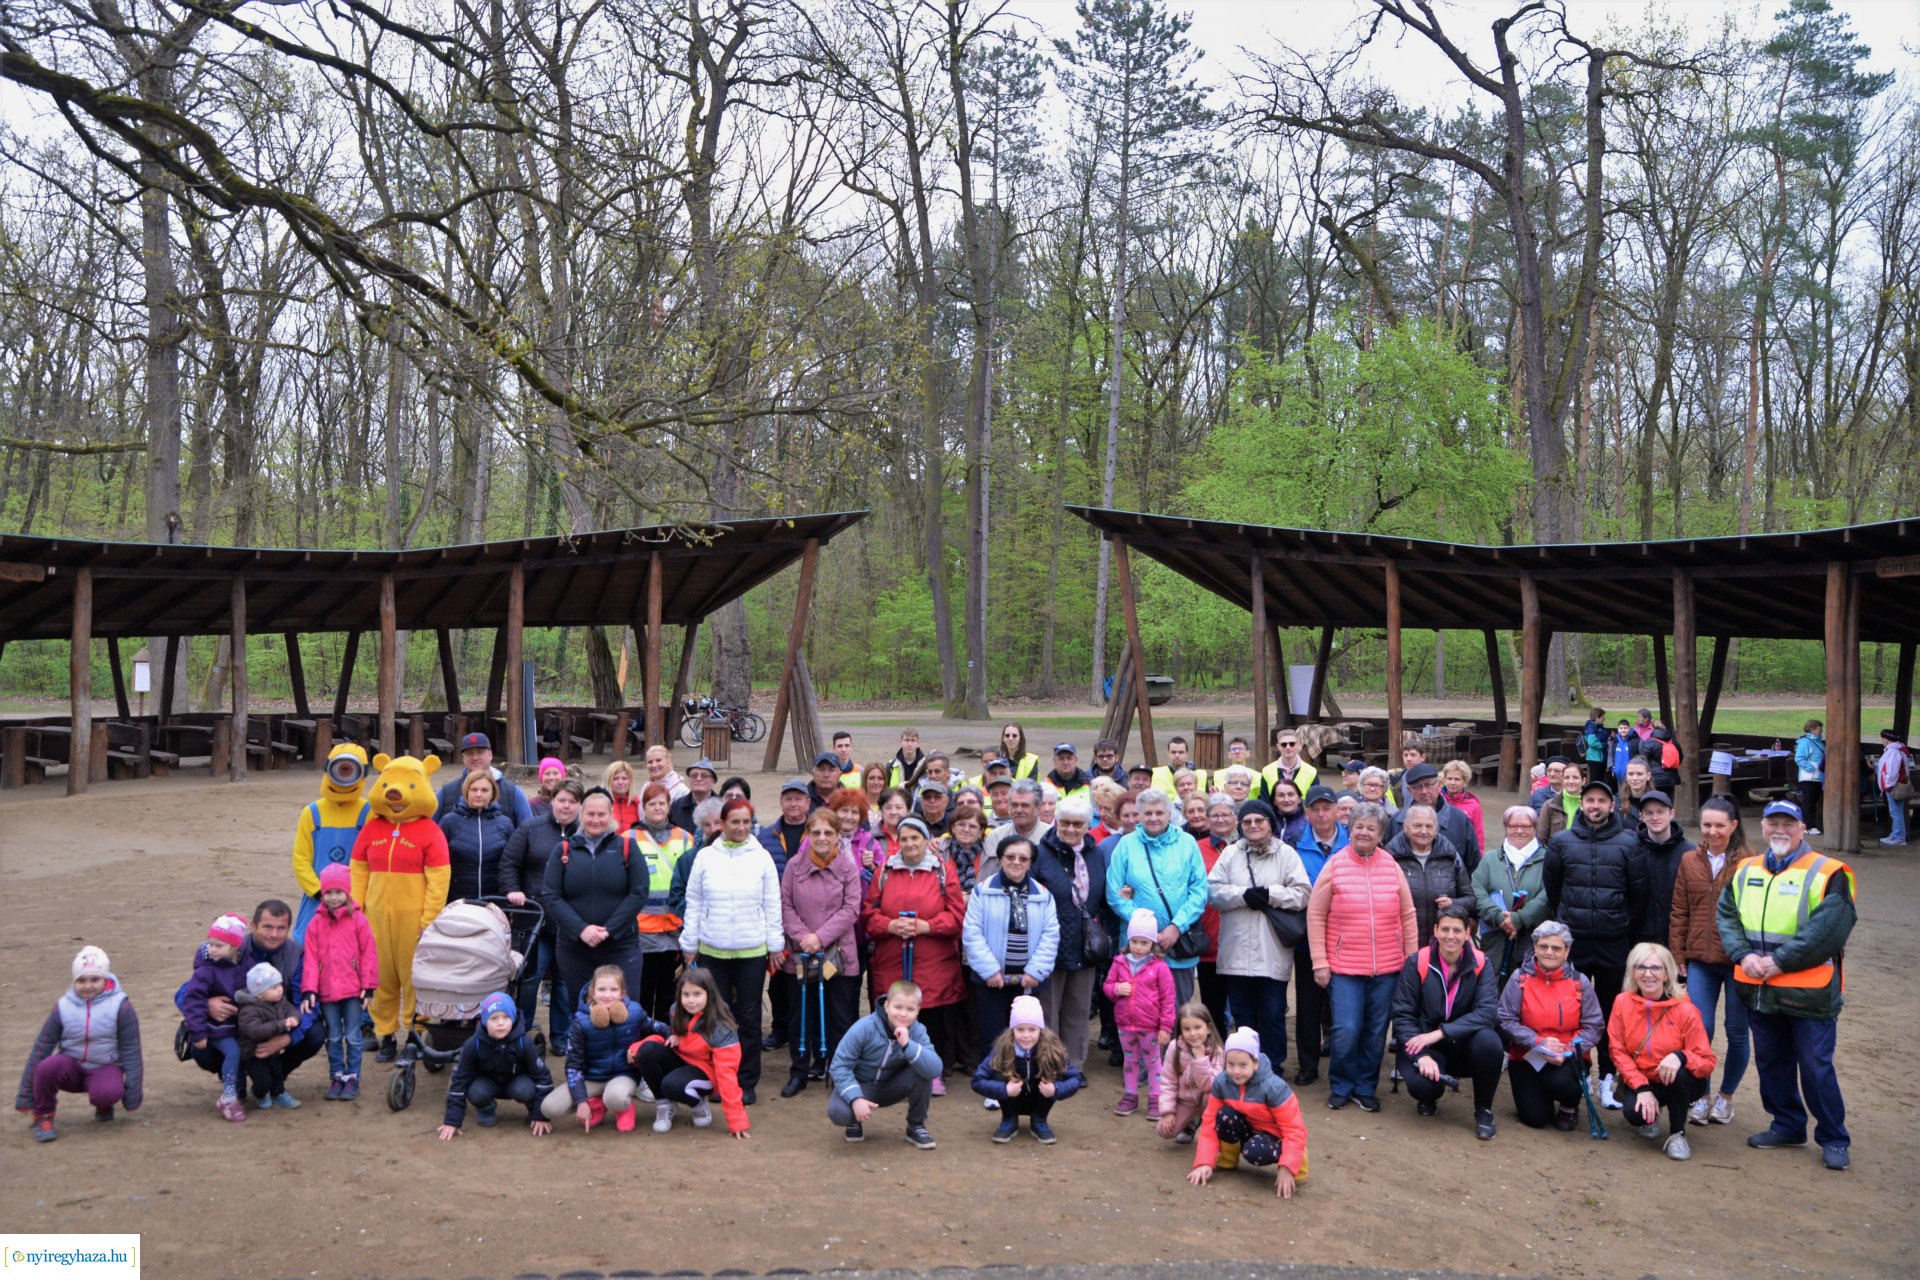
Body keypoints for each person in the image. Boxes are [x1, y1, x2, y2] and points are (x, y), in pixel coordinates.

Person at [1717, 798, 1856, 1170]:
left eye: (1788, 824)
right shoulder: (1746, 869)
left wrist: (1778, 962)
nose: (1780, 830)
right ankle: (1787, 1124)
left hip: (1810, 992)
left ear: (1802, 828)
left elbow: (1828, 930)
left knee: (1815, 1067)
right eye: (1773, 823)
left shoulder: (1829, 872)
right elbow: (1727, 915)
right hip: (1759, 988)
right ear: (1763, 828)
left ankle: (1833, 1137)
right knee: (1772, 1062)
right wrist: (1742, 955)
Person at [1543, 776, 1648, 1110]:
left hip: (1612, 942)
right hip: (1573, 942)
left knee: (1609, 1011)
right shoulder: (1561, 842)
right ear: (1582, 804)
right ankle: (1579, 1070)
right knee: (1570, 1010)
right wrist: (1567, 920)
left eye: (1602, 801)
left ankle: (1608, 1076)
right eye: (1590, 801)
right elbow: (1553, 886)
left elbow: (1638, 894)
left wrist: (1621, 923)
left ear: (1611, 805)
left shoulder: (1629, 843)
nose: (1595, 806)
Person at [1306, 803, 1417, 1112]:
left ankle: (1366, 1086)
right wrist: (1320, 962)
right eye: (1359, 827)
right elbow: (1316, 915)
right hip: (1344, 968)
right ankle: (1341, 1084)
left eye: (1372, 828)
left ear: (1381, 835)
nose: (1365, 832)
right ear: (1350, 829)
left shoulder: (1391, 865)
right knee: (1346, 1029)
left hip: (1388, 967)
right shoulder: (1335, 865)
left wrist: (1411, 960)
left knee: (1376, 1031)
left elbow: (1408, 914)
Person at [680, 795, 784, 1106]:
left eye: (746, 822)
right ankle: (716, 1077)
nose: (740, 827)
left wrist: (775, 944)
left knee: (749, 1017)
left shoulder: (762, 857)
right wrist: (689, 943)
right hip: (713, 949)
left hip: (752, 950)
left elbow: (772, 903)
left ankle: (745, 1080)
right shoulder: (705, 857)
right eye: (734, 822)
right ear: (722, 823)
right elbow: (694, 902)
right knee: (716, 1016)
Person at [351, 752, 452, 1063]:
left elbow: (439, 880)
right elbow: (358, 871)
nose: (395, 797)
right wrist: (356, 910)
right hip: (375, 918)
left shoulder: (430, 831)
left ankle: (415, 1033)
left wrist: (429, 919)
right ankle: (386, 1034)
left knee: (415, 977)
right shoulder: (371, 829)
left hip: (414, 920)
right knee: (380, 977)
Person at [864, 815, 967, 1092]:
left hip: (933, 961)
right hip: (893, 958)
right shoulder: (885, 871)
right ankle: (893, 1071)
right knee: (894, 1014)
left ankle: (933, 1072)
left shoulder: (942, 871)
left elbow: (957, 915)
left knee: (931, 1016)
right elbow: (868, 913)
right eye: (904, 839)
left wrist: (928, 926)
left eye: (915, 838)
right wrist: (890, 925)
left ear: (925, 840)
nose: (910, 844)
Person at [1208, 798, 1311, 1076]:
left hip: (1272, 950)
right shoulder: (1231, 853)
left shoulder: (1287, 854)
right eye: (1247, 821)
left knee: (1273, 1013)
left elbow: (1302, 893)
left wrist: (1270, 894)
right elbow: (1213, 891)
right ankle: (1244, 1068)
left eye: (1259, 820)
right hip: (1236, 951)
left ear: (1270, 823)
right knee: (1242, 1014)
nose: (1253, 825)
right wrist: (1242, 896)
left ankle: (1272, 1068)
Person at [1669, 795, 1750, 1127]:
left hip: (1739, 960)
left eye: (1719, 825)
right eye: (1706, 825)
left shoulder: (1751, 862)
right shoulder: (1689, 859)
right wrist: (1677, 953)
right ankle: (1701, 1095)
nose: (1712, 831)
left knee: (1737, 1031)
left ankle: (1726, 1097)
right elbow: (1679, 910)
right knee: (1700, 1028)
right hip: (1700, 958)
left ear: (1733, 826)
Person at [1390, 903, 1502, 1140]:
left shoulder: (1482, 963)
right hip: (1423, 1043)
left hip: (1461, 1043)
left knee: (1490, 1043)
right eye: (1445, 929)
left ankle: (1484, 1110)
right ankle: (1427, 1097)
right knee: (1424, 1086)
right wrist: (1421, 1056)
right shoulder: (1417, 961)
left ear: (1467, 933)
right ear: (1435, 930)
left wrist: (1441, 1032)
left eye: (1457, 930)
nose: (1451, 936)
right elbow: (1403, 1014)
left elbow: (1487, 1013)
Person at [541, 786, 650, 1019]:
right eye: (590, 814)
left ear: (611, 815)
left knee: (625, 1011)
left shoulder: (627, 848)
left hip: (620, 945)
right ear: (582, 814)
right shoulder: (564, 850)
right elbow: (551, 895)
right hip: (574, 947)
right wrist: (581, 929)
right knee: (583, 1012)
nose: (596, 820)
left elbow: (639, 892)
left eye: (601, 814)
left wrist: (609, 929)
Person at [17, 946, 142, 1143]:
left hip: (105, 1065)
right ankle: (44, 1116)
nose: (88, 986)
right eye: (81, 980)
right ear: (74, 981)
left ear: (105, 978)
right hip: (71, 1067)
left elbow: (131, 1049)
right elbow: (42, 1046)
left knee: (107, 1092)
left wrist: (133, 1093)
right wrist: (26, 1095)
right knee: (46, 1067)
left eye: (95, 979)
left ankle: (104, 1104)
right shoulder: (63, 1006)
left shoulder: (121, 1005)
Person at [779, 809, 864, 1097]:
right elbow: (785, 905)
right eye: (816, 832)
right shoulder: (794, 866)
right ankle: (799, 1071)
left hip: (837, 954)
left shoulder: (848, 867)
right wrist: (804, 937)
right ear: (808, 835)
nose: (822, 837)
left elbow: (851, 909)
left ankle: (839, 1073)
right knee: (800, 1016)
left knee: (839, 1017)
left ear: (838, 835)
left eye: (829, 832)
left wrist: (820, 937)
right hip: (802, 952)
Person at [1609, 942, 1716, 1160]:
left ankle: (1677, 1134)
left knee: (1678, 1075)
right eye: (1641, 967)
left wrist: (1681, 1056)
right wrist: (1641, 1087)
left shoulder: (1685, 1009)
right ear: (1632, 972)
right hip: (1643, 1078)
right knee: (1635, 1115)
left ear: (1667, 974)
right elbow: (1617, 1051)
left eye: (1656, 968)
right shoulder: (1622, 1002)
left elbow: (1707, 1061)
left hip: (1679, 1080)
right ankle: (1651, 1112)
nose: (1648, 974)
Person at [1104, 789, 1209, 1006]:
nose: (1153, 818)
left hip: (1178, 946)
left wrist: (1176, 927)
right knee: (1138, 1011)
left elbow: (1199, 891)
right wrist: (1146, 928)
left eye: (1159, 812)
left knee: (1177, 1012)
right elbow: (1114, 894)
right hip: (1138, 948)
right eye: (1148, 813)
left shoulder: (1187, 843)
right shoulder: (1126, 845)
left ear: (1169, 814)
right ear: (1140, 815)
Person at [1496, 920, 1604, 1131]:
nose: (1549, 952)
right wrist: (1537, 1041)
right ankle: (1540, 1095)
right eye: (1543, 946)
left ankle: (1568, 1107)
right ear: (1535, 947)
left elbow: (1594, 1026)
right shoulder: (1520, 978)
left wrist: (1567, 1050)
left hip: (1568, 1055)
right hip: (1527, 1054)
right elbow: (1505, 1018)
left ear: (1567, 951)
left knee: (1563, 1084)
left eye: (1556, 948)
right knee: (1535, 1118)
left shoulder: (1580, 982)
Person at [501, 779, 580, 1052]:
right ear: (552, 801)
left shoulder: (585, 833)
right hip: (533, 918)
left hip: (570, 923)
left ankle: (562, 1036)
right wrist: (512, 889)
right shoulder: (530, 829)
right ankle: (521, 1032)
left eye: (572, 801)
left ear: (579, 805)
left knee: (564, 982)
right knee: (529, 978)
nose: (566, 806)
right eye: (561, 800)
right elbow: (509, 862)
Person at [540, 965, 667, 1133]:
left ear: (622, 993)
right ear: (593, 993)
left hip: (623, 1076)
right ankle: (597, 1102)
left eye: (613, 990)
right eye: (602, 989)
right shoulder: (580, 1021)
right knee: (549, 1108)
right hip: (592, 1078)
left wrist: (674, 1035)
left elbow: (656, 1027)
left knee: (615, 1097)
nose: (607, 995)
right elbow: (573, 1065)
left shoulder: (635, 1011)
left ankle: (623, 1107)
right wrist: (581, 1101)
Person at [963, 835, 1061, 1051]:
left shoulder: (1043, 896)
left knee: (1027, 1036)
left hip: (1029, 980)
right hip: (991, 980)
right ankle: (994, 1072)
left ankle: (1023, 1072)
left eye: (1023, 858)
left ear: (1030, 862)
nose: (1016, 862)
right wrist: (990, 971)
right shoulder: (982, 891)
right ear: (1000, 859)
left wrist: (1035, 972)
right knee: (993, 1036)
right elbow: (972, 933)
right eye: (1010, 857)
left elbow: (1050, 936)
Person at [1030, 798, 1107, 1071]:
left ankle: (1073, 1067)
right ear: (1056, 821)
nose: (1071, 829)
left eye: (1077, 824)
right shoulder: (1040, 854)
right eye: (1065, 823)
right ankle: (1049, 1065)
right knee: (1047, 1010)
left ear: (1087, 825)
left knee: (1078, 1010)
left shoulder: (1096, 854)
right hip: (1049, 944)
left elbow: (1103, 896)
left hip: (1084, 945)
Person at [1187, 1027, 1308, 1201]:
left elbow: (1294, 1129)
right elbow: (1209, 1123)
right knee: (1224, 1115)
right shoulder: (1221, 1082)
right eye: (1231, 1064)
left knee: (1255, 1152)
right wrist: (1204, 1162)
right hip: (1248, 1129)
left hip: (1273, 1135)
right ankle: (1228, 1159)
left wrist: (1287, 1167)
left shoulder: (1274, 1087)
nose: (1236, 1071)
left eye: (1243, 1065)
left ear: (1255, 1063)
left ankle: (1297, 1157)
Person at [632, 967, 750, 1137]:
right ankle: (664, 1105)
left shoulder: (720, 1024)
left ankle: (698, 1104)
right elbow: (672, 1038)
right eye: (685, 994)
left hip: (708, 1073)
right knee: (645, 1052)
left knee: (671, 1085)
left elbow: (727, 1072)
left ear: (709, 993)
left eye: (697, 994)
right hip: (683, 1060)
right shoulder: (676, 1010)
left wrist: (736, 1120)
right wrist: (636, 1048)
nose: (690, 1000)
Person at [828, 980, 942, 1148]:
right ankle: (853, 1120)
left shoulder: (918, 1031)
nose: (903, 1014)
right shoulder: (864, 1027)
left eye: (910, 1009)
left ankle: (916, 1125)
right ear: (887, 1006)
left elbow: (935, 1069)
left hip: (892, 1086)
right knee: (839, 1113)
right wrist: (855, 1098)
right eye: (898, 1007)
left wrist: (908, 1045)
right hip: (862, 1086)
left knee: (923, 1069)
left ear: (918, 1010)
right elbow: (839, 1065)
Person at [300, 863, 378, 1101]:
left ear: (347, 892)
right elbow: (311, 959)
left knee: (353, 1036)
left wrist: (368, 987)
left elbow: (368, 954)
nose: (333, 897)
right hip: (326, 991)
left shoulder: (358, 920)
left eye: (338, 892)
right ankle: (337, 1076)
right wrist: (309, 989)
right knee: (333, 1036)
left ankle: (352, 1076)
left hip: (353, 991)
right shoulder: (315, 923)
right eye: (329, 892)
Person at [1288, 786, 1346, 1086]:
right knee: (1308, 1005)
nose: (1322, 814)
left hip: (1347, 938)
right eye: (1316, 809)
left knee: (1344, 1006)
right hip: (1307, 938)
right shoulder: (1293, 842)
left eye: (1327, 808)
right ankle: (1308, 1064)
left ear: (1337, 810)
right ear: (1307, 812)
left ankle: (1343, 1064)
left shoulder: (1353, 840)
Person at [438, 991, 553, 1139]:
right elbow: (460, 1080)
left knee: (526, 1090)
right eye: (494, 1018)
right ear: (484, 1020)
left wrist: (541, 1115)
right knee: (475, 1092)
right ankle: (486, 1108)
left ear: (513, 1018)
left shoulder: (525, 1043)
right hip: (486, 1083)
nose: (500, 1023)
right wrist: (452, 1121)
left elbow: (544, 1078)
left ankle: (532, 1109)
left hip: (517, 1082)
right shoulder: (473, 1045)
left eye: (506, 1017)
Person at [971, 995, 1083, 1144]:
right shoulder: (1001, 1050)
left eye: (1032, 1029)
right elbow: (977, 1081)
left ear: (1040, 1030)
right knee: (998, 1074)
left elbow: (1075, 1078)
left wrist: (1055, 1089)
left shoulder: (1052, 1049)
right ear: (1012, 1030)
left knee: (1054, 1074)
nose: (1026, 1035)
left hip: (1041, 1096)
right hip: (1011, 1097)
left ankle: (1039, 1120)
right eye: (1020, 1029)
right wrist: (1004, 1089)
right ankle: (1009, 1119)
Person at [290, 743, 371, 941]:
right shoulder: (311, 812)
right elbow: (301, 859)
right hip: (317, 899)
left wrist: (354, 896)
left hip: (355, 901)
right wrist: (320, 892)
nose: (344, 774)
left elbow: (372, 861)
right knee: (308, 944)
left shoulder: (369, 812)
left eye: (350, 769)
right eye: (341, 768)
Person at [1105, 910, 1178, 1118]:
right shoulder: (1119, 962)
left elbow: (1168, 1000)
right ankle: (1130, 1095)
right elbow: (1107, 986)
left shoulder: (1160, 967)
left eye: (1144, 942)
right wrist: (1116, 989)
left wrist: (1165, 1027)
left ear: (1152, 944)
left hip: (1150, 1026)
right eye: (1134, 941)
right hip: (1125, 1024)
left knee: (1154, 1062)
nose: (1138, 947)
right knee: (1130, 1061)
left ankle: (1156, 1098)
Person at [1471, 806, 1549, 986]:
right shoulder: (1490, 859)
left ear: (1535, 828)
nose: (1519, 831)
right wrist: (1499, 917)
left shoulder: (1548, 859)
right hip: (1495, 937)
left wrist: (1519, 919)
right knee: (1491, 985)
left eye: (1526, 826)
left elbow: (1548, 895)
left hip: (1532, 938)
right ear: (1506, 828)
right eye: (1513, 826)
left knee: (1527, 986)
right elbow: (1477, 890)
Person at [183, 915, 251, 1121]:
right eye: (211, 944)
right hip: (215, 1027)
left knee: (241, 1052)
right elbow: (193, 1001)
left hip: (236, 1025)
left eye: (219, 946)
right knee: (233, 1052)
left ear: (235, 947)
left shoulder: (245, 964)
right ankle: (228, 1097)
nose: (213, 949)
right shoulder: (204, 971)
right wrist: (198, 1032)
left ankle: (239, 1090)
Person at [1385, 803, 1473, 948]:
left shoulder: (1450, 856)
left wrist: (1453, 903)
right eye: (1417, 825)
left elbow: (1470, 899)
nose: (1423, 831)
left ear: (1436, 829)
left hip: (1442, 944)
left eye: (1429, 826)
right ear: (1405, 827)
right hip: (1402, 942)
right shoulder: (1390, 857)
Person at [439, 770, 517, 902]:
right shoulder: (449, 822)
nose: (479, 794)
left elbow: (512, 862)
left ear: (492, 793)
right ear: (466, 792)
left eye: (484, 790)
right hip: (458, 899)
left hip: (495, 899)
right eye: (474, 789)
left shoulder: (504, 823)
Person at [234, 963, 301, 1109]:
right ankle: (260, 1093)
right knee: (262, 1080)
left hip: (274, 1049)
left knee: (277, 1073)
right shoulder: (248, 1010)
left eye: (280, 985)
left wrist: (294, 1018)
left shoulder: (280, 1000)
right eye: (273, 987)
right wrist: (282, 1025)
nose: (280, 990)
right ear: (259, 993)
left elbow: (290, 1009)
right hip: (253, 1053)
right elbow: (256, 1031)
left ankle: (279, 1094)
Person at [1394, 762, 1482, 872]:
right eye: (1417, 787)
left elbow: (1473, 865)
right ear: (1409, 790)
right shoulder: (1397, 822)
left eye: (1429, 784)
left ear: (1440, 784)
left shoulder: (1459, 820)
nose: (1424, 791)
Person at [1156, 1003, 1224, 1143]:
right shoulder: (1175, 1047)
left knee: (1211, 1096)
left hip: (1207, 1100)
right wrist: (1168, 1112)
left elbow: (1210, 1085)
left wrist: (1200, 1059)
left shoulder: (1217, 1051)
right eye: (1187, 1029)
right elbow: (1168, 1081)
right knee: (1164, 1130)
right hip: (1186, 1100)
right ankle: (1192, 1120)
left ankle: (1209, 1128)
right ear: (1180, 1030)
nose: (1192, 1033)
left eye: (1197, 1027)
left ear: (1208, 1028)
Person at [1635, 790, 1693, 949]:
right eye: (1649, 813)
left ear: (1671, 814)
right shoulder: (1632, 850)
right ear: (1641, 816)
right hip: (1640, 939)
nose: (1655, 818)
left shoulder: (1689, 853)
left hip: (1678, 937)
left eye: (1660, 812)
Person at [435, 732, 533, 825]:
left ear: (490, 755)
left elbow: (528, 830)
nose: (475, 757)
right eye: (470, 753)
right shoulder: (446, 793)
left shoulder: (513, 792)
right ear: (463, 758)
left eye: (480, 752)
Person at [984, 778, 1051, 869]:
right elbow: (987, 874)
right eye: (1014, 805)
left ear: (1038, 808)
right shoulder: (996, 837)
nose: (1019, 810)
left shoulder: (1051, 837)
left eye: (1025, 805)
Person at [1439, 759, 1485, 851]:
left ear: (1465, 782)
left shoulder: (1473, 805)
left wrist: (1479, 856)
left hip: (1462, 851)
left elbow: (1478, 835)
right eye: (1449, 778)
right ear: (1444, 780)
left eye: (1457, 779)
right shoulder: (1437, 800)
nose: (1452, 783)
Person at [1791, 720, 1826, 837]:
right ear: (1812, 729)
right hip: (1809, 777)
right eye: (1819, 728)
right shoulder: (1805, 742)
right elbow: (1799, 758)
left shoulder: (1819, 742)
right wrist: (1811, 768)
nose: (1821, 730)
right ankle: (1808, 826)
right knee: (1808, 802)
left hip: (1818, 777)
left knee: (1813, 802)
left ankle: (1811, 825)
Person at [1876, 729, 1910, 846]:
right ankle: (1896, 835)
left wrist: (1888, 785)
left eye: (1883, 738)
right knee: (1896, 811)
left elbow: (1892, 771)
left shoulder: (1893, 752)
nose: (1882, 740)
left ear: (1887, 739)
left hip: (1893, 786)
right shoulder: (1896, 750)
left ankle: (1899, 837)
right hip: (1894, 785)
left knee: (1895, 812)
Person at [1261, 730, 1318, 800]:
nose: (1288, 747)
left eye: (1292, 744)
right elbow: (1264, 802)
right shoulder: (1267, 771)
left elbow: (1314, 801)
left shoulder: (1312, 772)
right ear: (1278, 746)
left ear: (1298, 744)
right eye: (1284, 744)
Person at [668, 757, 719, 833]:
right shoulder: (677, 806)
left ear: (713, 781)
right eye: (694, 775)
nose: (698, 779)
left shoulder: (722, 806)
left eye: (704, 776)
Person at [1538, 761, 1583, 840]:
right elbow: (1541, 837)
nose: (1571, 781)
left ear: (1583, 781)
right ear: (1562, 780)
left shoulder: (1591, 805)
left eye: (1575, 777)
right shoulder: (1550, 805)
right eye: (1567, 777)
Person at [1269, 778, 1308, 848]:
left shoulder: (1309, 824)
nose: (1286, 800)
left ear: (1299, 799)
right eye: (1281, 795)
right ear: (1274, 801)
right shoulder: (1267, 824)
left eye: (1291, 795)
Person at [604, 760, 641, 832]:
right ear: (608, 781)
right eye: (615, 779)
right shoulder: (601, 803)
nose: (620, 782)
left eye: (624, 778)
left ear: (630, 781)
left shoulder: (637, 804)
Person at [1620, 758, 1656, 825]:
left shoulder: (1658, 801)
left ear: (1648, 776)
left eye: (1639, 774)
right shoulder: (1617, 803)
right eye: (1630, 774)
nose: (1635, 778)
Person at [1581, 707, 1611, 776]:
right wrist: (1606, 744)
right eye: (1602, 717)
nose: (1604, 719)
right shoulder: (1592, 727)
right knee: (1595, 780)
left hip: (1600, 758)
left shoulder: (1599, 727)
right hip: (1595, 758)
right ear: (1597, 718)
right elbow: (1592, 742)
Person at [1610, 720, 1638, 791]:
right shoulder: (1615, 741)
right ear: (1618, 729)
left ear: (1629, 728)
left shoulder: (1635, 741)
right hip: (1618, 774)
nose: (1623, 730)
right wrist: (1611, 767)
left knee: (1631, 794)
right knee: (1621, 794)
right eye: (1621, 728)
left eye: (1625, 728)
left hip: (1631, 776)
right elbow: (1610, 754)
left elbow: (1639, 756)